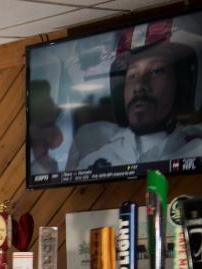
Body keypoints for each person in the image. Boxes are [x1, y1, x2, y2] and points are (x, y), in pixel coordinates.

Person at [75, 32, 202, 169]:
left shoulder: (197, 151)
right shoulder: (90, 164)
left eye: (156, 71)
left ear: (182, 84)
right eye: (132, 75)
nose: (139, 86)